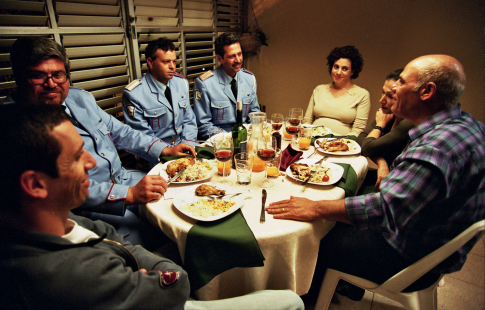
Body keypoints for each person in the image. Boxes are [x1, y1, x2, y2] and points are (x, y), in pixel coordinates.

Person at [0, 103, 304, 310]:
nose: (91, 162)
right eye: (78, 157)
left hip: (125, 269)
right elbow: (177, 284)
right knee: (291, 302)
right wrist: (157, 271)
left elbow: (102, 231)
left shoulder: (61, 222)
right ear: (35, 185)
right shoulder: (69, 275)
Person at [268, 55, 485, 301]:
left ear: (427, 91)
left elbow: (382, 209)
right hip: (433, 243)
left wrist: (315, 207)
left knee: (314, 236)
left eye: (401, 83)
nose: (393, 90)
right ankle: (339, 288)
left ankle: (300, 301)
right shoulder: (469, 125)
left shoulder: (435, 148)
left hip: (409, 257)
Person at [5, 36, 196, 249]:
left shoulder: (80, 99)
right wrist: (130, 195)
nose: (51, 84)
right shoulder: (14, 124)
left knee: (186, 201)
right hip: (88, 204)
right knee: (160, 240)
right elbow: (60, 189)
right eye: (38, 76)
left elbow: (122, 132)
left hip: (125, 178)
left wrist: (165, 149)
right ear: (19, 78)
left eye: (58, 75)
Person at [122, 37, 198, 148]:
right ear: (150, 62)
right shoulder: (134, 94)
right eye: (166, 62)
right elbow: (142, 137)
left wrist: (188, 145)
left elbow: (189, 120)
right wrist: (169, 152)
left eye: (174, 61)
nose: (172, 66)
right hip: (157, 155)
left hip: (185, 148)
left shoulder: (181, 83)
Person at [193, 33, 260, 140]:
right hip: (221, 141)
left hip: (247, 137)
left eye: (239, 54)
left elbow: (255, 114)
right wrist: (229, 137)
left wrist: (256, 129)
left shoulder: (249, 78)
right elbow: (203, 125)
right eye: (232, 56)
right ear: (220, 59)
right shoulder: (205, 83)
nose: (238, 60)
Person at [356, 69, 414, 190]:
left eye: (390, 96)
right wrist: (381, 162)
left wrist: (379, 126)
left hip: (397, 186)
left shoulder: (408, 123)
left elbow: (367, 147)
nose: (381, 100)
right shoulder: (389, 115)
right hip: (383, 177)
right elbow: (360, 139)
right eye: (383, 93)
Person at [303, 45, 370, 137]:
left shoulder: (362, 94)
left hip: (341, 145)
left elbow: (358, 130)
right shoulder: (319, 89)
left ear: (352, 71)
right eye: (336, 67)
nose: (338, 72)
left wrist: (340, 144)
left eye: (345, 69)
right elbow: (307, 120)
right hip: (313, 140)